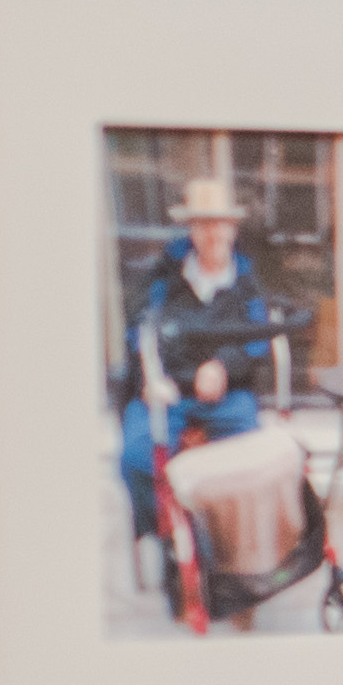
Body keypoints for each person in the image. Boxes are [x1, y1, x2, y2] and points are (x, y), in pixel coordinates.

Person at [118, 175, 304, 584]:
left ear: (232, 228)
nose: (212, 232)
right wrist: (151, 376)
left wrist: (223, 365)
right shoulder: (165, 275)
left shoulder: (246, 278)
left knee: (251, 462)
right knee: (134, 458)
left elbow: (257, 341)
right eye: (203, 223)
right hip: (169, 392)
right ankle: (173, 536)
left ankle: (232, 550)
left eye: (219, 223)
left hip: (227, 395)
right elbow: (138, 330)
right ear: (191, 229)